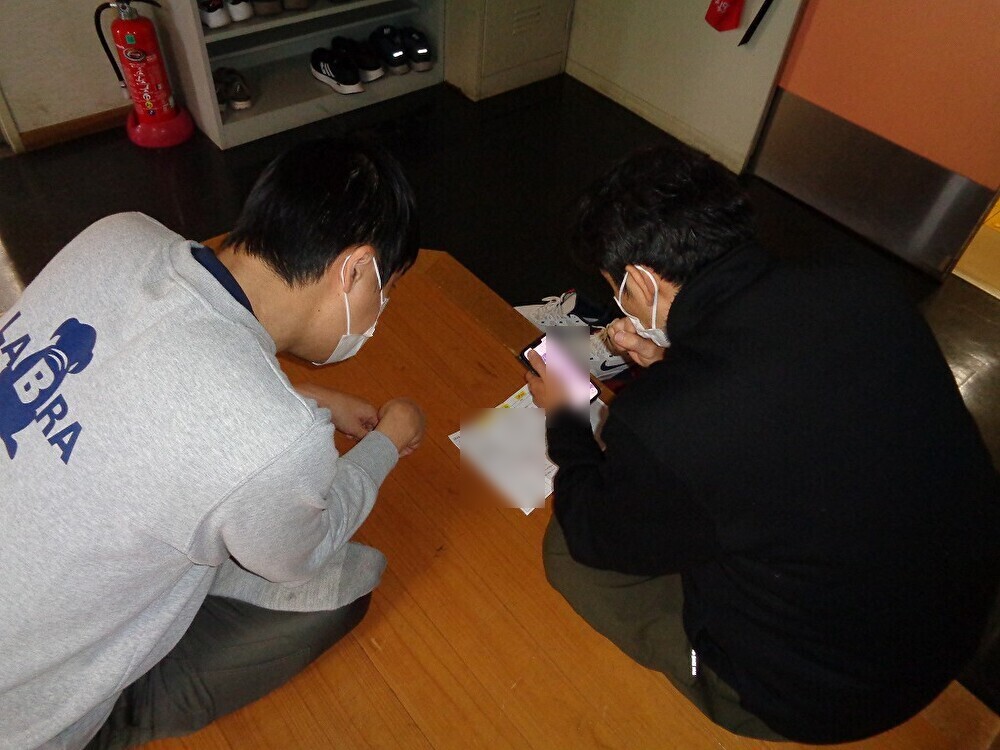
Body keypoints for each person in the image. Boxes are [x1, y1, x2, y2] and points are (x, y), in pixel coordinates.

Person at [525, 143, 1000, 743]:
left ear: (639, 280)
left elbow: (599, 534)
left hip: (835, 695)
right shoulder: (859, 282)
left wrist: (566, 417)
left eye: (615, 286)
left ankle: (712, 685)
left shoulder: (667, 422)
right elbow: (790, 397)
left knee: (568, 553)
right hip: (970, 610)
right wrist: (675, 361)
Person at [0, 138, 426, 749]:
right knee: (350, 580)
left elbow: (130, 368)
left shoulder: (118, 235)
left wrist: (300, 396)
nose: (380, 311)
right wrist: (388, 441)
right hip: (26, 722)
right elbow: (299, 554)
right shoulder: (276, 439)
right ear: (354, 269)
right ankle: (110, 719)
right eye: (386, 290)